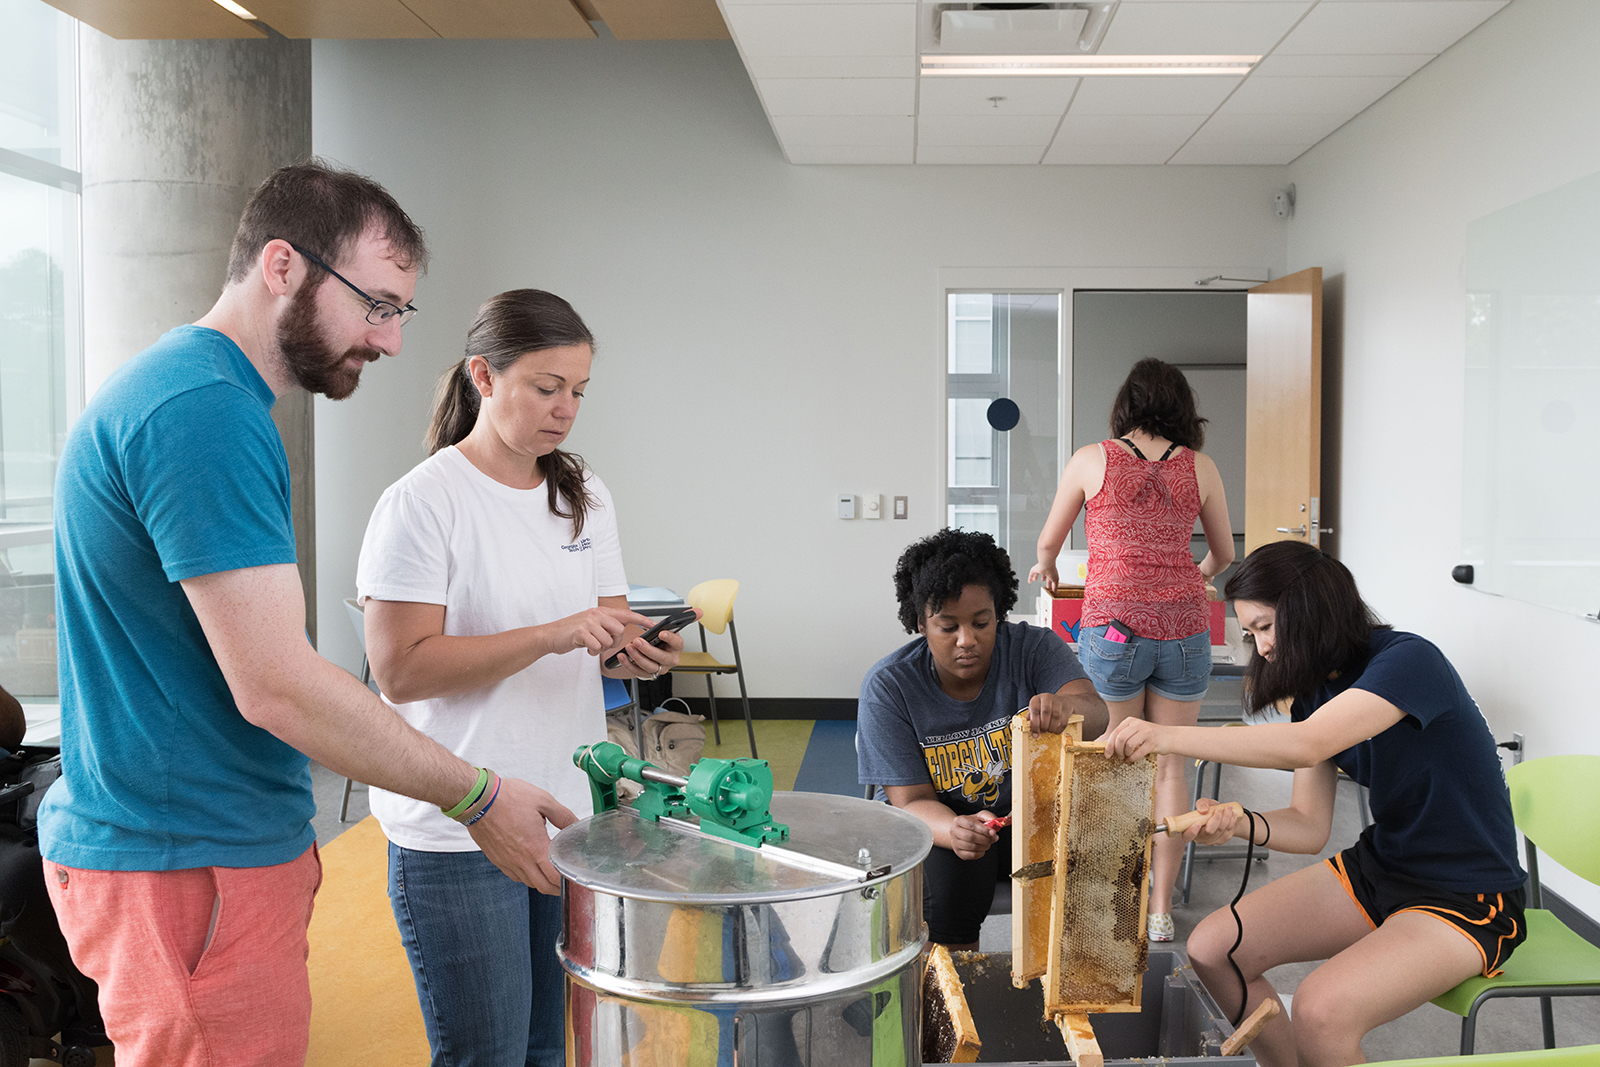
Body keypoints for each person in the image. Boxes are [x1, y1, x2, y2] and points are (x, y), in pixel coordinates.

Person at [38, 161, 578, 1067]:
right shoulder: (202, 410)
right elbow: (277, 684)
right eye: (377, 304)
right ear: (283, 266)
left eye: (399, 312)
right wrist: (476, 794)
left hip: (204, 846)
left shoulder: (203, 394)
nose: (392, 341)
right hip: (186, 858)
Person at [357, 289, 679, 1067]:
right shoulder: (422, 503)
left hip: (569, 813)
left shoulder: (584, 494)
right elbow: (399, 670)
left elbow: (603, 629)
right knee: (489, 1054)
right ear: (484, 376)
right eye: (546, 386)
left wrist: (630, 651)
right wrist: (550, 635)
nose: (566, 408)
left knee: (549, 1049)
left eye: (579, 391)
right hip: (458, 821)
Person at [1103, 541, 1526, 1067]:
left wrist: (1165, 735)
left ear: (1311, 610)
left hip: (1468, 894)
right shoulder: (1314, 690)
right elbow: (1308, 826)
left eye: (1265, 627)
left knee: (1322, 1009)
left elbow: (1307, 743)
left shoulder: (1410, 661)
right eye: (1250, 632)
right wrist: (1236, 821)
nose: (1260, 649)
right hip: (1383, 867)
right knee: (1213, 950)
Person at [1027, 357, 1233, 942]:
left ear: (1126, 404)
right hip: (1185, 631)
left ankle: (1113, 897)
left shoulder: (1092, 459)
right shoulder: (1203, 467)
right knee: (1172, 765)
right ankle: (1161, 910)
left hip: (1114, 627)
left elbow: (1050, 541)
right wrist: (1192, 575)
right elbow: (1223, 554)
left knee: (1116, 763)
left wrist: (1045, 565)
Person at [857, 528, 1108, 949]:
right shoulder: (890, 686)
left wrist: (1069, 708)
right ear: (920, 623)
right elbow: (911, 803)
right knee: (952, 889)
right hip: (940, 822)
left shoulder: (1032, 649)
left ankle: (1059, 994)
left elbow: (1097, 714)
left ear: (1000, 613)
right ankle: (956, 998)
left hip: (1023, 815)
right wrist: (954, 828)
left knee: (1094, 866)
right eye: (947, 627)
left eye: (981, 622)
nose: (967, 640)